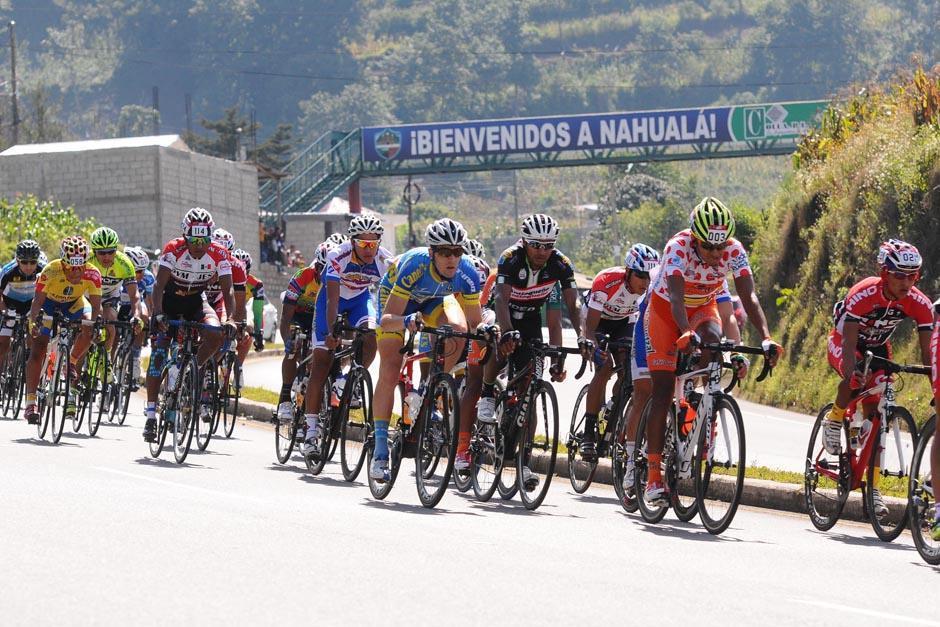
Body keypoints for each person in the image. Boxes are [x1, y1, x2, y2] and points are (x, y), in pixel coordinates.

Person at [642, 197, 782, 506]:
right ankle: (653, 474)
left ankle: (696, 406)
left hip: (703, 309)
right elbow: (676, 299)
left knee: (715, 343)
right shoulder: (677, 247)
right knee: (663, 388)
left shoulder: (733, 249)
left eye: (721, 248)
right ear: (695, 238)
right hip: (667, 312)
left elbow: (749, 296)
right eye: (708, 248)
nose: (716, 255)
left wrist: (767, 337)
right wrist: (684, 332)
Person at [476, 213, 593, 491]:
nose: (542, 251)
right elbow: (502, 298)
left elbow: (574, 305)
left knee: (531, 390)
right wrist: (506, 332)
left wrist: (583, 336)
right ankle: (487, 392)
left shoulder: (560, 264)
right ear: (525, 242)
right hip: (500, 311)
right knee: (500, 341)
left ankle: (523, 462)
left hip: (529, 318)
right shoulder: (510, 257)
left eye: (548, 245)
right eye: (536, 245)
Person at [821, 239, 932, 517]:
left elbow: (929, 352)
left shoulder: (919, 302)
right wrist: (851, 372)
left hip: (879, 347)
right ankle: (835, 418)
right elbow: (847, 343)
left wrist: (935, 385)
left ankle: (874, 490)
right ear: (884, 273)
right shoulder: (863, 293)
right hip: (847, 342)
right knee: (856, 376)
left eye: (913, 276)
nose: (907, 282)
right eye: (900, 275)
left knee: (877, 415)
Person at [371, 218, 485, 482]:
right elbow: (388, 318)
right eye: (445, 252)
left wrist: (490, 331)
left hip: (433, 301)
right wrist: (407, 322)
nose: (452, 258)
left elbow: (475, 324)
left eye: (457, 251)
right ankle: (379, 452)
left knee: (458, 331)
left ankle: (431, 389)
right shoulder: (415, 264)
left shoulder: (466, 272)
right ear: (432, 253)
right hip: (398, 302)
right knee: (389, 370)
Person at [143, 208, 236, 442]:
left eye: (204, 239)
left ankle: (190, 369)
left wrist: (230, 318)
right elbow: (159, 287)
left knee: (215, 333)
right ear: (185, 235)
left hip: (196, 301)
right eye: (194, 239)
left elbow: (228, 290)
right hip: (169, 303)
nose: (199, 245)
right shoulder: (174, 249)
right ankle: (151, 414)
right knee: (157, 357)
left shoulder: (219, 253)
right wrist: (159, 314)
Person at [303, 215, 391, 457]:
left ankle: (350, 381)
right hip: (332, 301)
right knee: (321, 364)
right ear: (353, 242)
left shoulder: (384, 259)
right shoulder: (337, 256)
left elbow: (391, 297)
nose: (368, 249)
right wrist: (333, 331)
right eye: (363, 244)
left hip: (360, 300)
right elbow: (332, 299)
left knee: (371, 334)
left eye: (373, 244)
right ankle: (310, 431)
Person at [578, 243, 659, 462]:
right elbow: (590, 328)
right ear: (628, 272)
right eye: (641, 276)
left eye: (649, 277)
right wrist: (591, 345)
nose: (646, 283)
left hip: (624, 321)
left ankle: (614, 406)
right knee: (604, 369)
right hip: (597, 320)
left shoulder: (651, 289)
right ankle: (588, 432)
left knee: (628, 374)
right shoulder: (607, 281)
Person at [24, 236, 102, 424]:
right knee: (39, 349)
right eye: (71, 267)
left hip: (75, 304)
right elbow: (37, 302)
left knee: (89, 325)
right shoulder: (51, 270)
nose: (76, 272)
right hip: (49, 305)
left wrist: (94, 326)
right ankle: (31, 402)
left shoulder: (93, 273)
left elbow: (96, 306)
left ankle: (71, 362)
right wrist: (34, 321)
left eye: (80, 267)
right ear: (63, 263)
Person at [276, 241, 337, 423]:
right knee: (292, 348)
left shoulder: (336, 282)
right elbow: (286, 316)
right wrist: (287, 341)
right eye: (320, 268)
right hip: (298, 314)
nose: (323, 274)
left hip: (318, 317)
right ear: (316, 265)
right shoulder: (303, 276)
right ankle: (285, 398)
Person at [87, 227, 139, 357]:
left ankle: (106, 360)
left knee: (110, 322)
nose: (106, 257)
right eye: (102, 253)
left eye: (111, 252)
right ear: (94, 251)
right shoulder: (87, 260)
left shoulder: (124, 263)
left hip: (111, 296)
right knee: (86, 326)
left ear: (116, 250)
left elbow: (134, 295)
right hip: (89, 294)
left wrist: (136, 315)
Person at [0, 240, 45, 371]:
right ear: (17, 260)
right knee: (3, 344)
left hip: (30, 306)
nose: (29, 266)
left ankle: (26, 360)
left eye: (33, 262)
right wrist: (5, 310)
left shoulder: (43, 270)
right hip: (10, 306)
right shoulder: (8, 271)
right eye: (24, 262)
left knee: (34, 334)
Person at [121, 246, 154, 382]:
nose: (140, 275)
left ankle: (135, 356)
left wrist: (150, 319)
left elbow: (150, 302)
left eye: (143, 270)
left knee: (144, 316)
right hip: (119, 302)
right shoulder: (119, 273)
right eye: (137, 271)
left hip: (136, 303)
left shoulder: (148, 277)